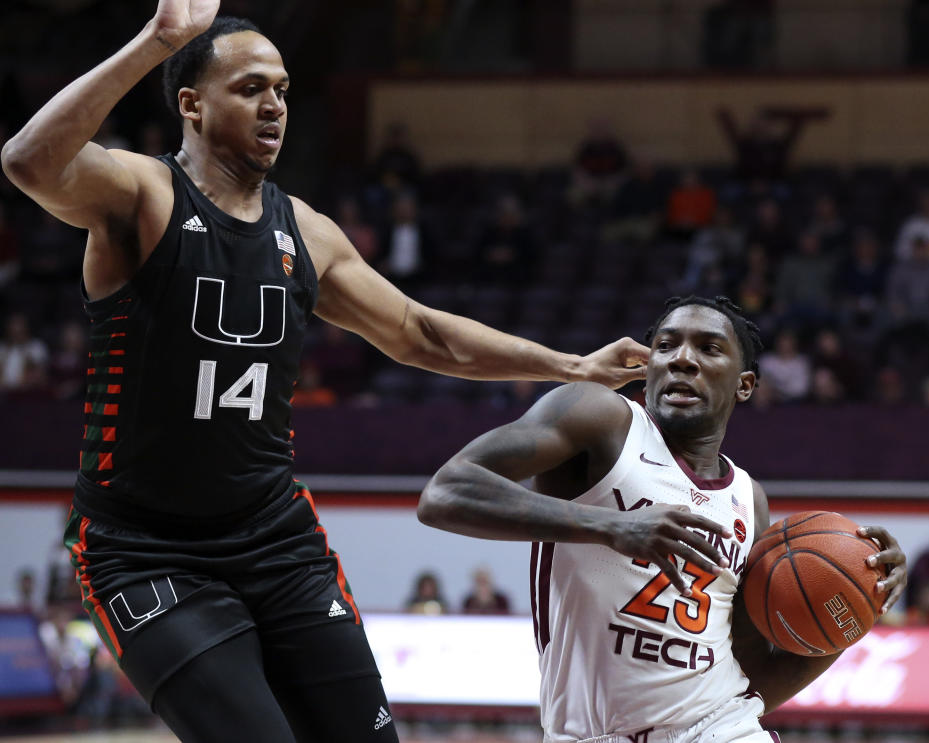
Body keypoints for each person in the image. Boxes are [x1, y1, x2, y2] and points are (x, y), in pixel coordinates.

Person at [0, 4, 649, 742]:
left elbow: (421, 333)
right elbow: (28, 162)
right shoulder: (141, 195)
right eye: (250, 88)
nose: (275, 103)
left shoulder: (305, 230)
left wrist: (572, 365)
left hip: (274, 537)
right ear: (192, 105)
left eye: (281, 88)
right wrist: (157, 42)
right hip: (144, 550)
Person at [419, 295, 906, 743]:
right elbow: (446, 492)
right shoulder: (601, 418)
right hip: (587, 733)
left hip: (720, 727)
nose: (682, 358)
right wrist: (609, 526)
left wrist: (858, 606)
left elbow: (750, 680)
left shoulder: (747, 499)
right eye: (666, 345)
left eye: (709, 348)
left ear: (744, 385)